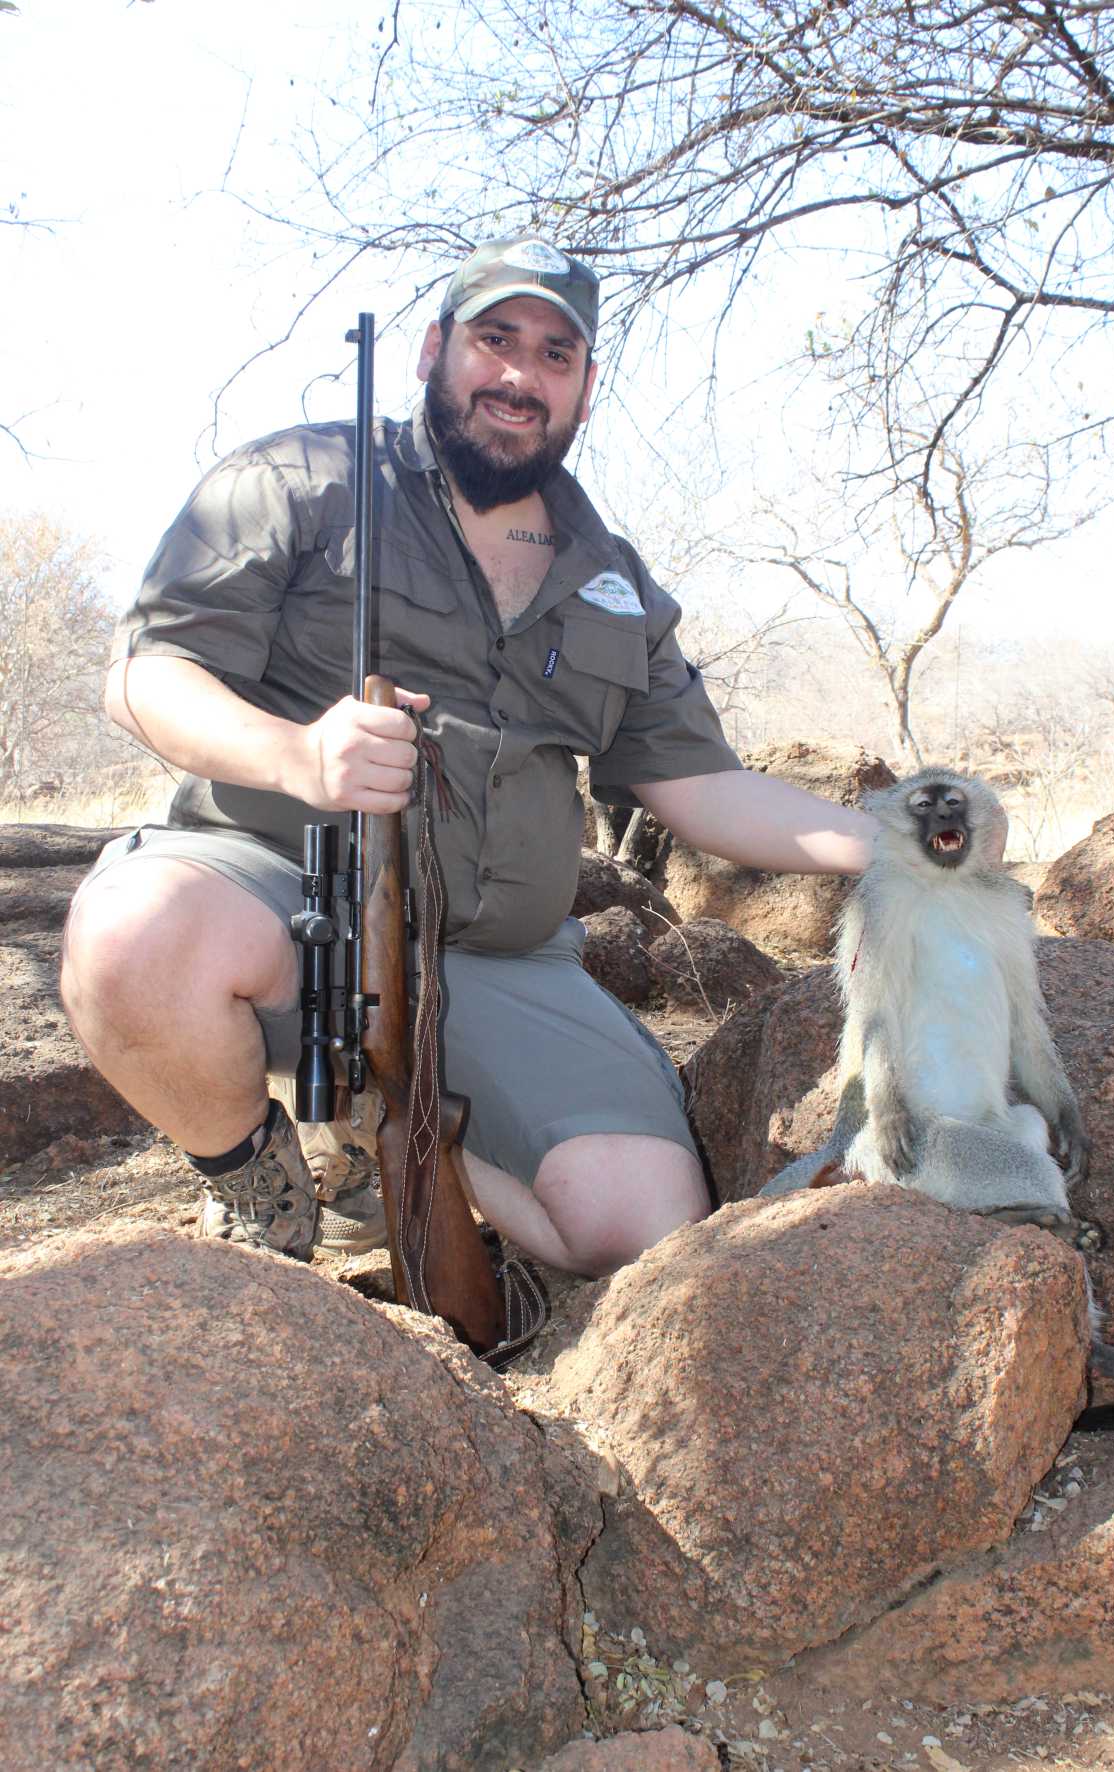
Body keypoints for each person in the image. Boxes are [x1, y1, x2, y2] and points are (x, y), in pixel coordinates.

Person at [61, 236, 875, 1277]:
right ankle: (254, 1180)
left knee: (638, 1227)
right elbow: (143, 672)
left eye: (552, 354)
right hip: (282, 899)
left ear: (584, 386)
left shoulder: (610, 578)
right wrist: (298, 755)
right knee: (132, 932)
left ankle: (389, 1125)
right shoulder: (298, 477)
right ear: (433, 350)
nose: (518, 375)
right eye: (493, 340)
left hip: (498, 954)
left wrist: (891, 842)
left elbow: (701, 785)